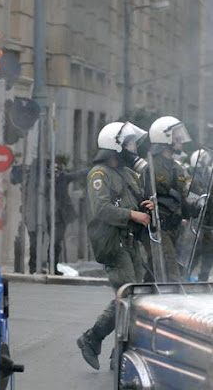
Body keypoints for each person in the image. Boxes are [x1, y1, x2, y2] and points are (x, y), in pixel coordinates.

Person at [77, 121, 153, 370]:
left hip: (131, 242)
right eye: (129, 143)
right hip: (113, 243)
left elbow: (136, 201)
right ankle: (103, 344)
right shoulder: (99, 174)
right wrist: (133, 216)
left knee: (132, 297)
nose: (133, 147)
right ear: (116, 146)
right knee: (129, 298)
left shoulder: (129, 173)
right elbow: (101, 209)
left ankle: (110, 347)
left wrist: (146, 207)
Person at [147, 116, 197, 282]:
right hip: (160, 228)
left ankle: (126, 306)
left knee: (151, 278)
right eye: (177, 136)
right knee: (173, 276)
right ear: (165, 138)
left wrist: (196, 207)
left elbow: (182, 197)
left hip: (176, 227)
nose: (181, 140)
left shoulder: (177, 167)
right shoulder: (150, 166)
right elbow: (143, 195)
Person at [46, 160, 88, 274]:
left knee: (57, 242)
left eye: (57, 169)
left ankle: (53, 267)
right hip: (49, 216)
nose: (55, 171)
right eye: (52, 169)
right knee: (52, 242)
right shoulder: (45, 179)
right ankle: (50, 266)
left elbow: (78, 174)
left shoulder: (63, 178)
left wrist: (95, 168)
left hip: (61, 216)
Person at [188, 149, 213, 281]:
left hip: (205, 223)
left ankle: (200, 279)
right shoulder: (195, 179)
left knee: (205, 254)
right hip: (201, 223)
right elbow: (193, 199)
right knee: (197, 253)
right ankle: (193, 278)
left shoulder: (205, 177)